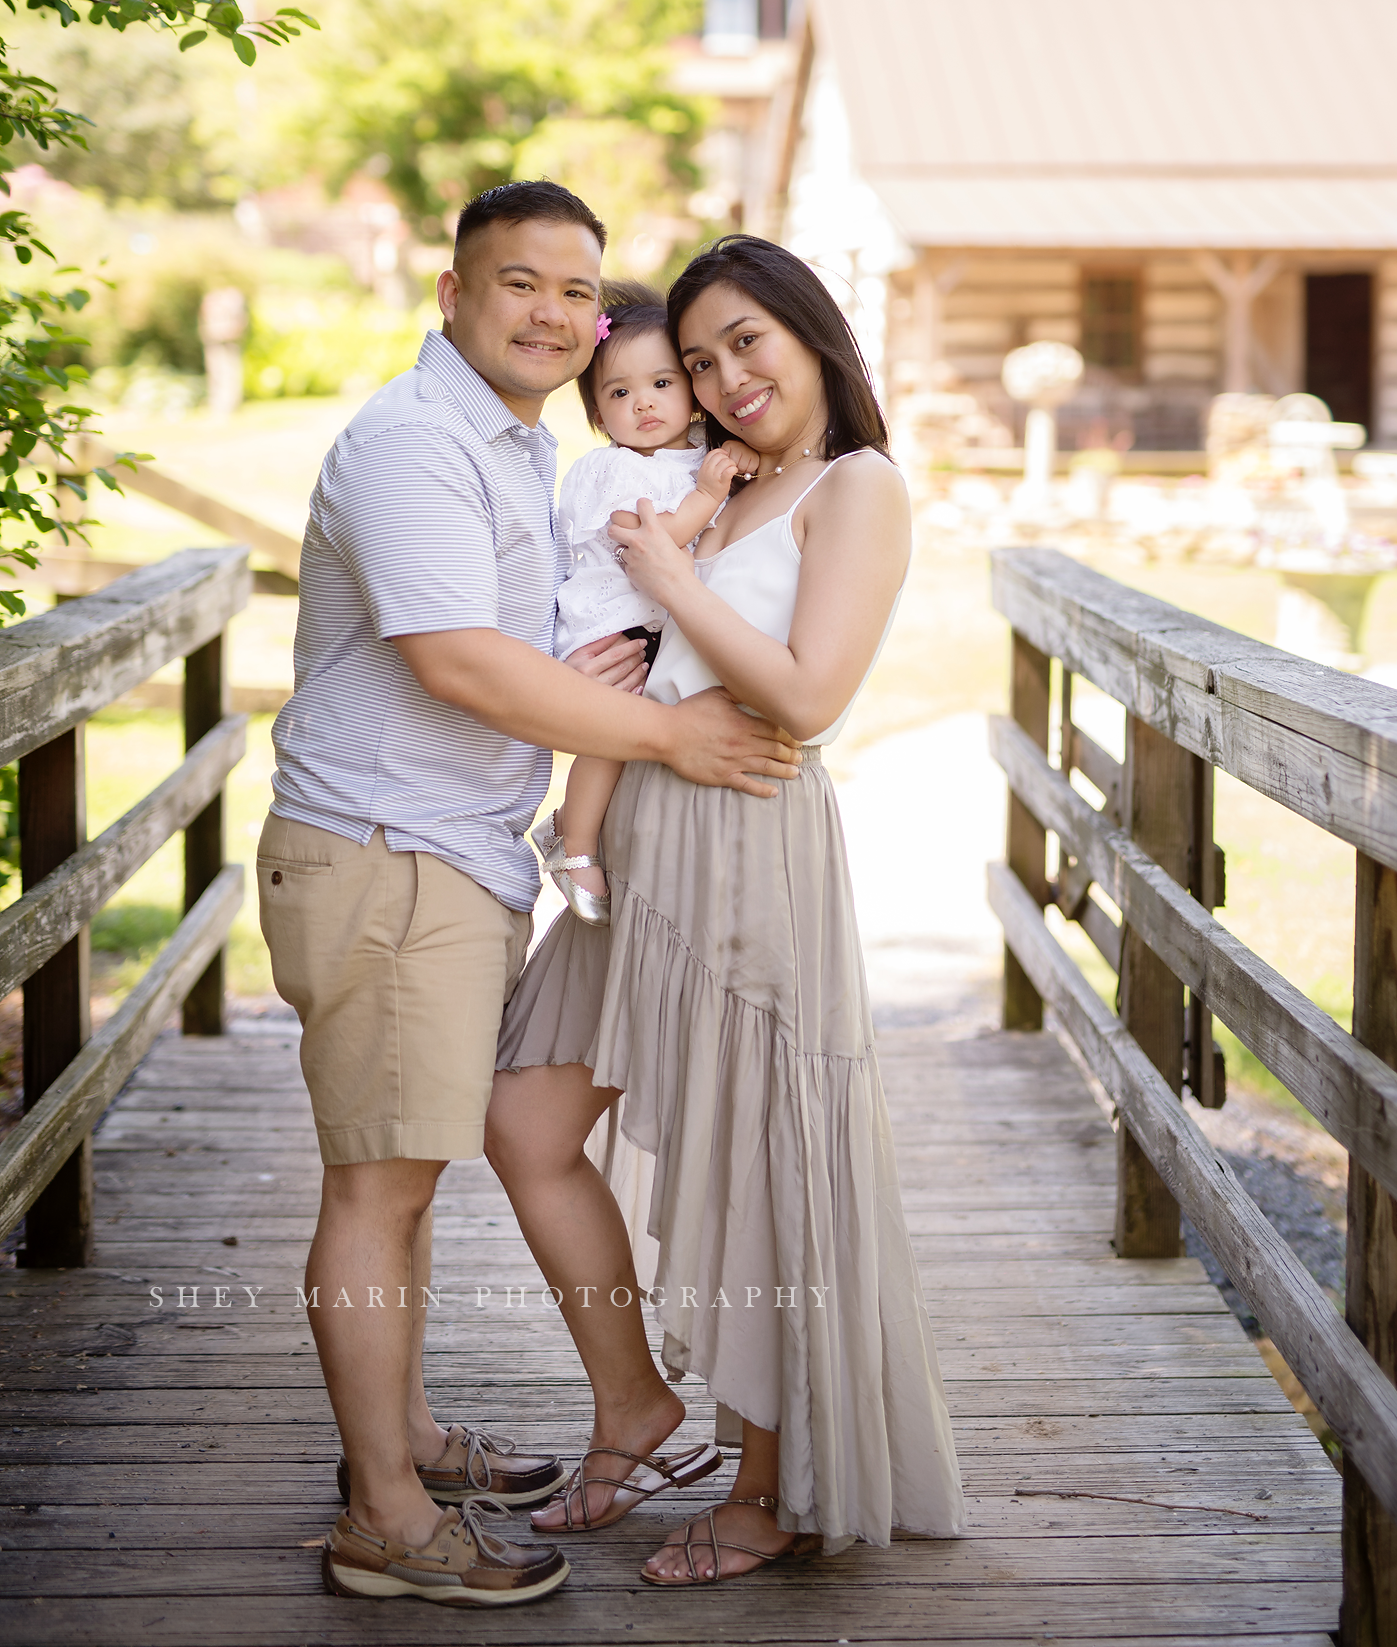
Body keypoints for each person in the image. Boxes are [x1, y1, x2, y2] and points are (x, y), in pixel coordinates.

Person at [258, 182, 800, 1610]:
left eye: (578, 289)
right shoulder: (412, 444)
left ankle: (410, 1441)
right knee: (379, 1186)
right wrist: (671, 733)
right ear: (452, 294)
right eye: (521, 283)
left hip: (454, 853)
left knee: (409, 1174)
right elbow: (455, 658)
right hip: (387, 847)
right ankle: (385, 1514)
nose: (555, 312)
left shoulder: (517, 446)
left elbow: (541, 636)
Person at [489, 233, 965, 1589]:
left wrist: (675, 585)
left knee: (754, 1156)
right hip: (635, 834)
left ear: (811, 333)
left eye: (747, 342)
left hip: (747, 847)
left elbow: (811, 696)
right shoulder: (719, 482)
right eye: (699, 360)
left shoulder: (857, 485)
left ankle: (770, 1486)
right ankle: (634, 1404)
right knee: (523, 1119)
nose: (726, 376)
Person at [538, 281, 757, 924]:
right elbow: (649, 542)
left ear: (692, 390)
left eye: (662, 383)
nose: (645, 404)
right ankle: (572, 841)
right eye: (620, 392)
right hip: (612, 625)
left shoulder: (696, 458)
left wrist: (718, 472)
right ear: (600, 416)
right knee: (610, 734)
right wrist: (707, 497)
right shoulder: (614, 472)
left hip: (657, 622)